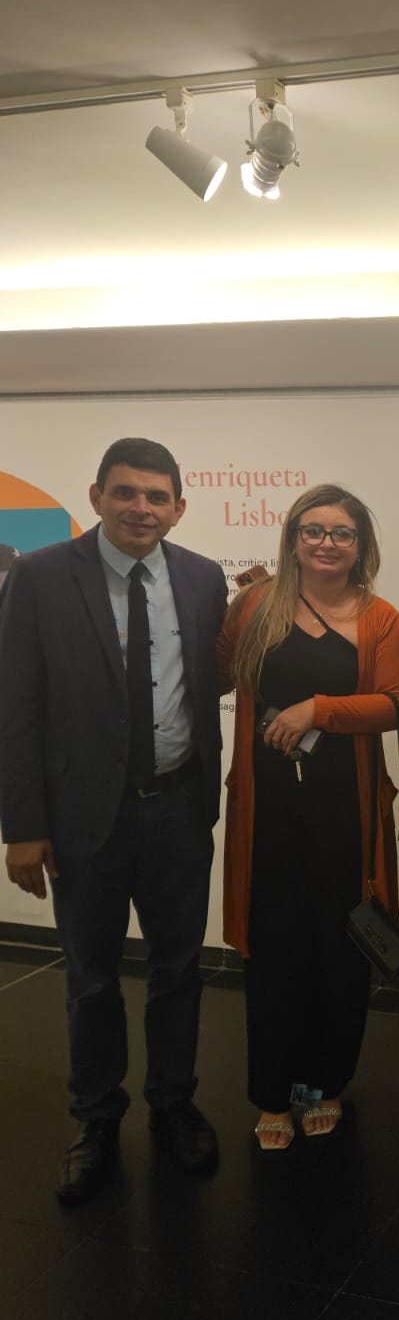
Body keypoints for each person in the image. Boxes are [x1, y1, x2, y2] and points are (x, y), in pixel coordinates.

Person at [0, 438, 228, 1202]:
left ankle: (174, 1105)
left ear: (179, 508)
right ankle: (96, 1119)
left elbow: (207, 681)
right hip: (81, 819)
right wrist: (21, 824)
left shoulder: (201, 578)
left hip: (177, 809)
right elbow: (17, 705)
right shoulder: (40, 576)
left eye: (157, 496)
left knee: (178, 971)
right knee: (91, 979)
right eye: (126, 492)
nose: (141, 508)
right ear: (96, 496)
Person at [219, 485, 399, 1150]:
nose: (327, 543)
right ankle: (276, 1096)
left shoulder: (379, 617)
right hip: (267, 813)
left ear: (361, 547)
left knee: (340, 952)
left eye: (342, 533)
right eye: (314, 530)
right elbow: (212, 674)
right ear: (293, 540)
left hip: (345, 814)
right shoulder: (255, 606)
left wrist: (317, 710)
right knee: (273, 953)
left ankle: (324, 1087)